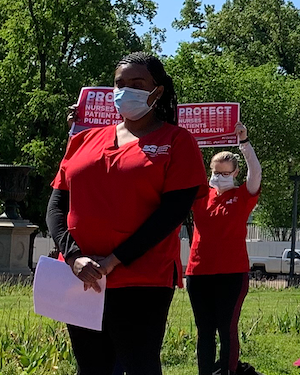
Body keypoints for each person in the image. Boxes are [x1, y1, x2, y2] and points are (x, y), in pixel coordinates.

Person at [47, 52, 206, 375]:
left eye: (137, 83)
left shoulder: (177, 142)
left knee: (138, 366)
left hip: (141, 279)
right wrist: (74, 256)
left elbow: (170, 214)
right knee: (91, 367)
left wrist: (114, 259)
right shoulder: (83, 139)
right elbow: (56, 206)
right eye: (120, 83)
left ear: (157, 91)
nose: (126, 90)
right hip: (81, 277)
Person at [187, 124, 262, 375]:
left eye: (224, 173)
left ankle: (228, 372)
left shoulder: (243, 195)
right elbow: (187, 169)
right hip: (199, 273)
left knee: (226, 329)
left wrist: (245, 142)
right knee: (204, 330)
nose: (219, 177)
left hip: (231, 273)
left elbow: (256, 174)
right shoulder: (201, 196)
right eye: (215, 172)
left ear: (235, 172)